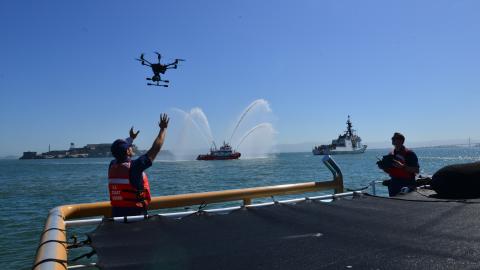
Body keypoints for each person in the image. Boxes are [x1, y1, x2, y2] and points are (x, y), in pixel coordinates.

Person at [108, 113, 169, 217]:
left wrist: (131, 138)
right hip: (135, 219)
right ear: (127, 151)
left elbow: (120, 149)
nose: (132, 147)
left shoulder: (112, 165)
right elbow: (155, 148)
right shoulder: (135, 167)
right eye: (130, 146)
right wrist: (163, 129)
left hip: (117, 219)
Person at [377, 132, 420, 196]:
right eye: (392, 138)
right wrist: (383, 167)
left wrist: (402, 166)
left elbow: (416, 170)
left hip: (407, 183)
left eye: (395, 138)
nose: (392, 139)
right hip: (394, 183)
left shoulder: (409, 154)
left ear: (402, 140)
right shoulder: (391, 154)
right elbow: (389, 171)